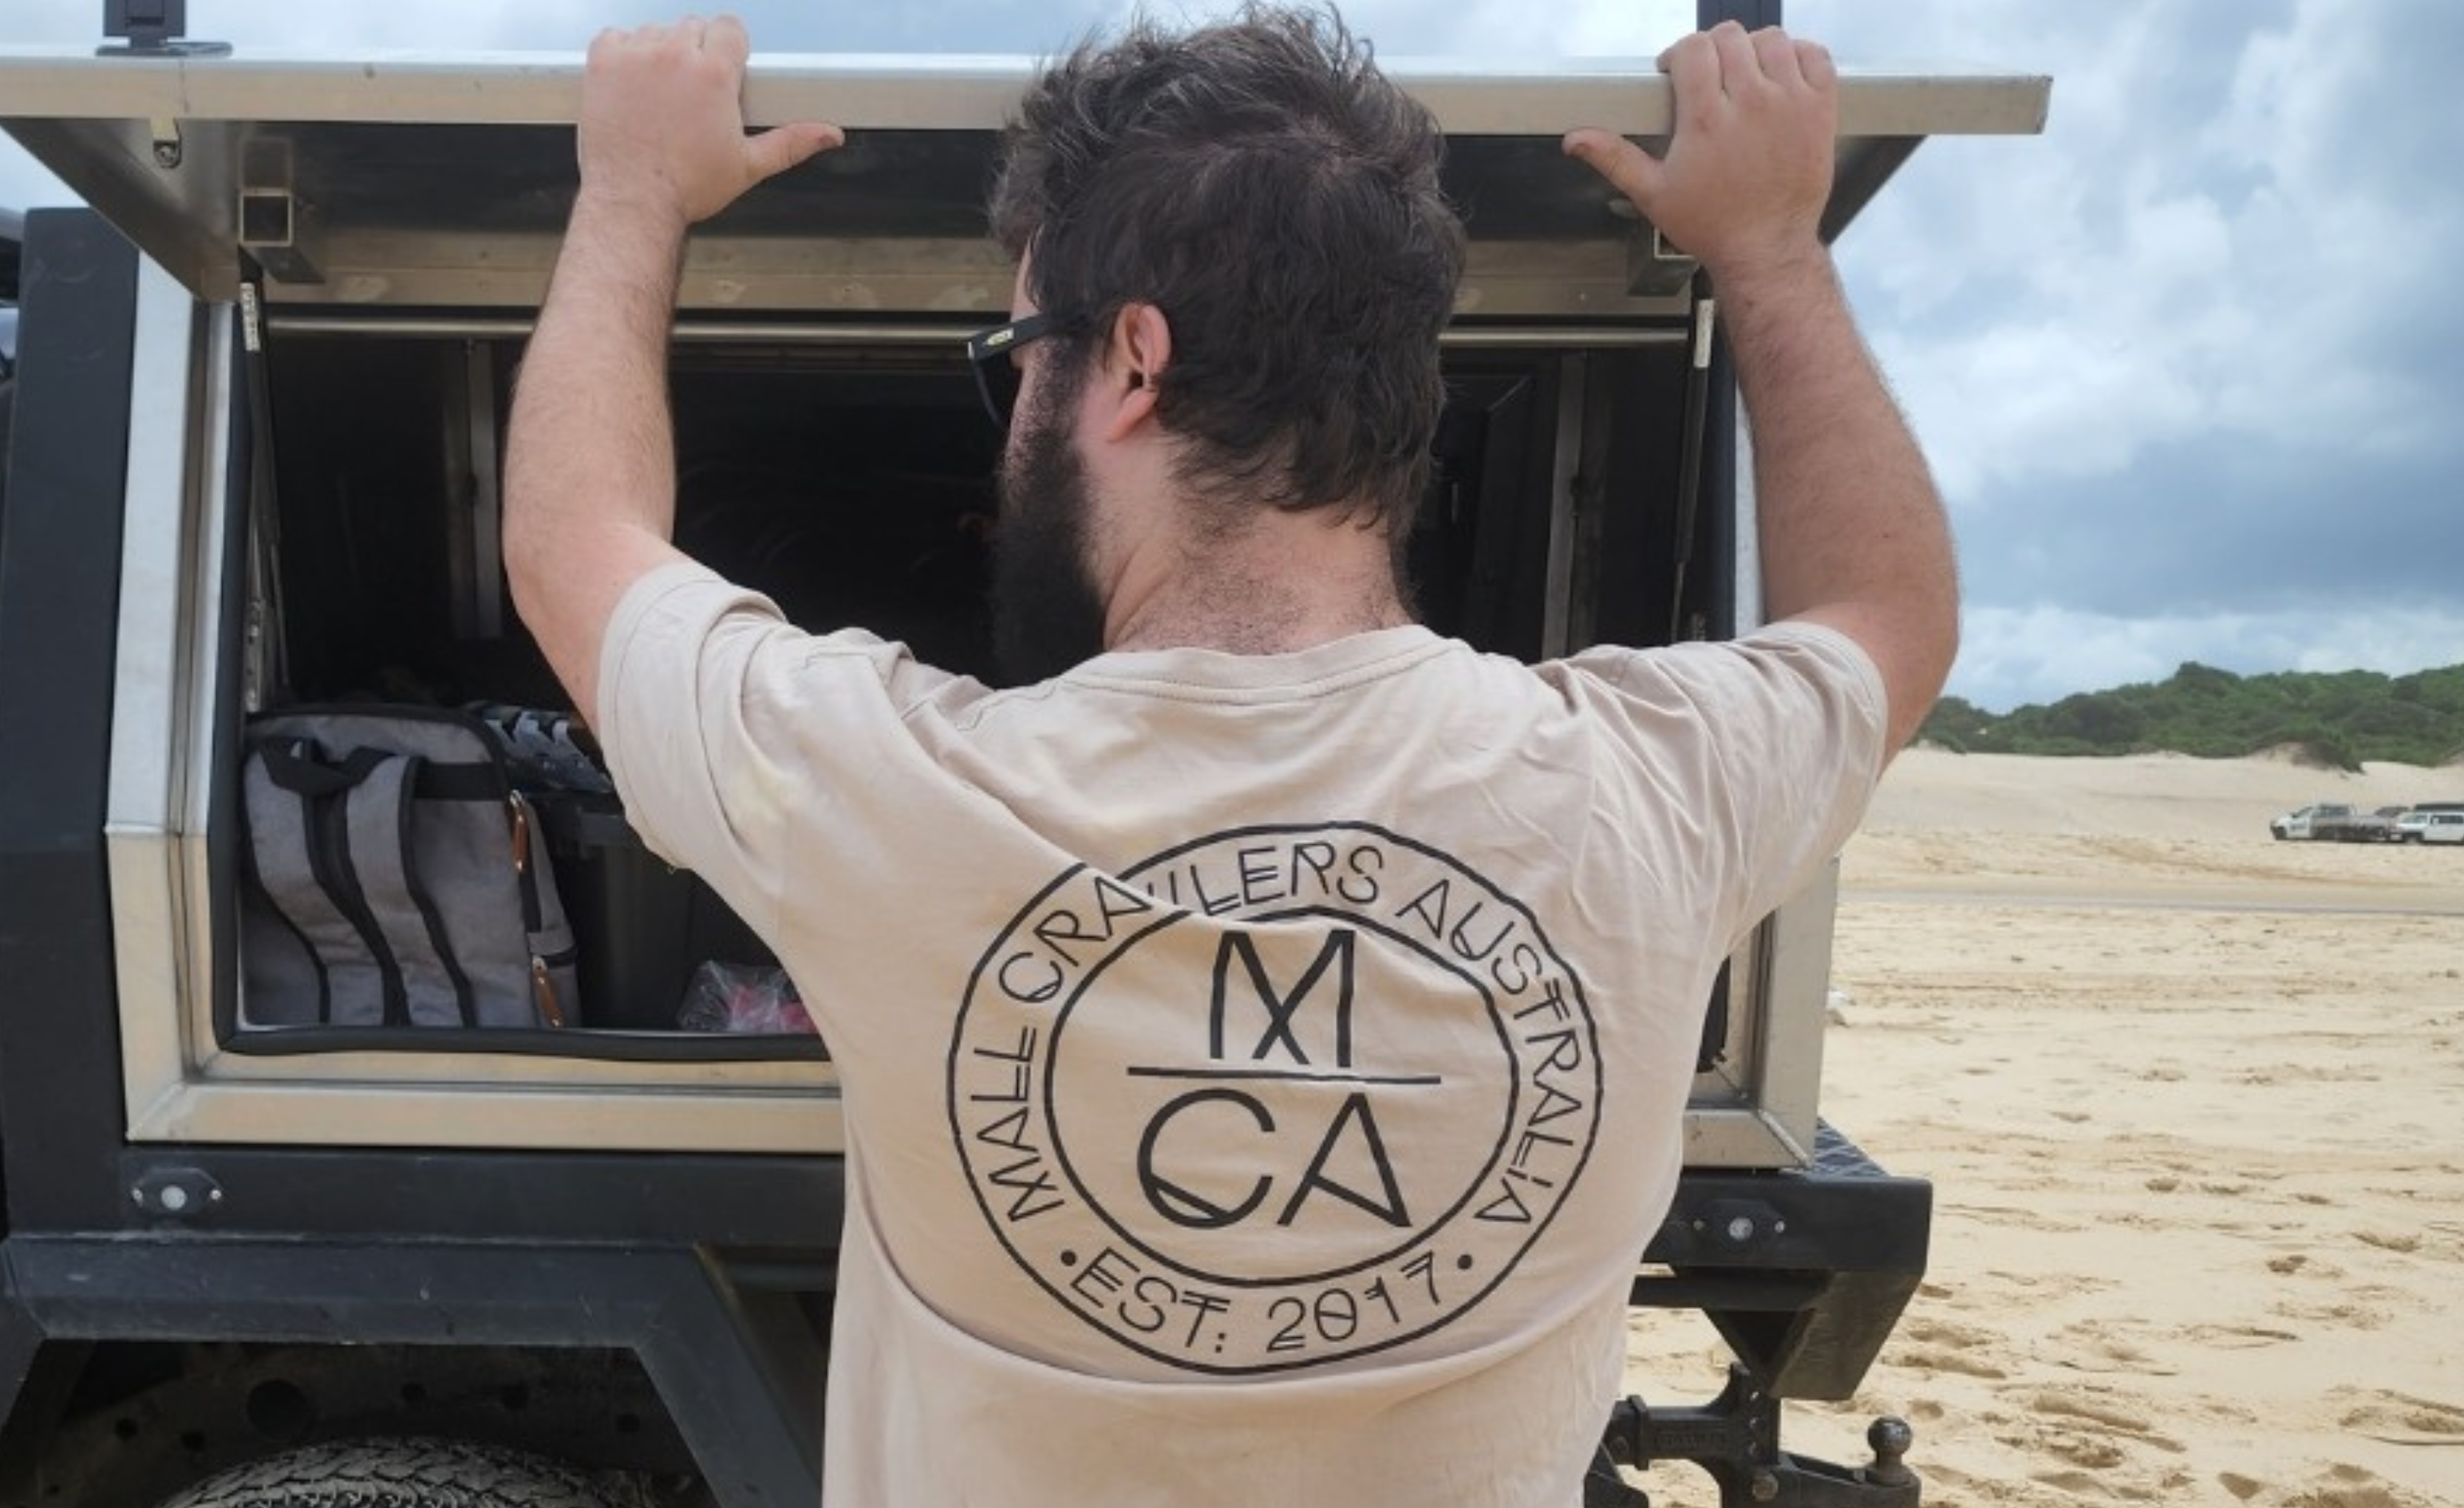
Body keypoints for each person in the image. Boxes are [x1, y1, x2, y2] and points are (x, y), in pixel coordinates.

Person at [503, 8, 1953, 1505]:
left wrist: (630, 191)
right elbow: (1887, 613)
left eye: (1019, 355)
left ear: (1132, 360)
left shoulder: (886, 788)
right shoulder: (1657, 785)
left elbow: (570, 544)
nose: (1011, 425)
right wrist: (1772, 245)